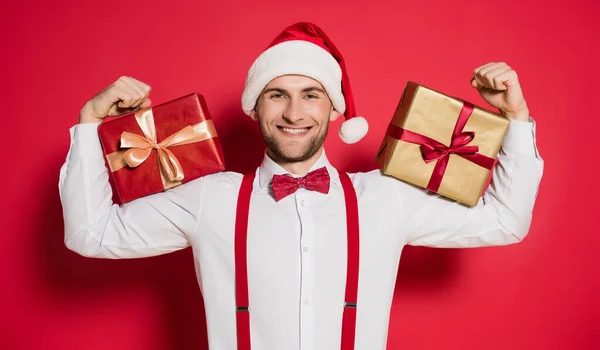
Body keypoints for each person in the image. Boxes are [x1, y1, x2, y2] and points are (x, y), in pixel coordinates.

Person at [59, 22, 544, 350]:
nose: (294, 114)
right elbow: (91, 233)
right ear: (254, 108)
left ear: (334, 110)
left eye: (311, 95)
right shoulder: (210, 197)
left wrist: (516, 119)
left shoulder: (386, 198)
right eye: (277, 95)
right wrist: (89, 127)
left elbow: (505, 221)